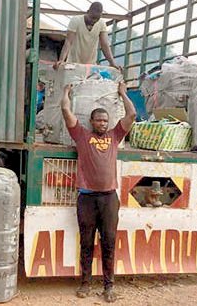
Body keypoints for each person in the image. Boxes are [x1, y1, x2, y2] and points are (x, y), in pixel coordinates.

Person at [61, 81, 135, 303]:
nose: (102, 123)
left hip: (109, 197)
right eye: (99, 120)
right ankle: (85, 283)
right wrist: (65, 92)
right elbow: (66, 110)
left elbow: (131, 114)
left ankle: (108, 287)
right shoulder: (81, 135)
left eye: (105, 120)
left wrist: (123, 93)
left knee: (109, 243)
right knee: (86, 242)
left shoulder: (115, 136)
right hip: (87, 197)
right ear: (91, 121)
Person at [54, 2, 121, 70]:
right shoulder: (76, 20)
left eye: (96, 19)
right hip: (73, 63)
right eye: (92, 18)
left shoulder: (101, 23)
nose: (93, 21)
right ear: (88, 12)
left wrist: (112, 63)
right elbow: (68, 42)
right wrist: (61, 60)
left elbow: (104, 45)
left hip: (90, 65)